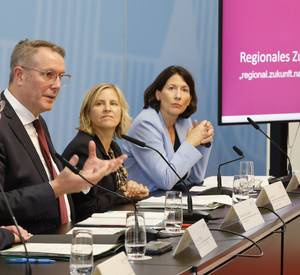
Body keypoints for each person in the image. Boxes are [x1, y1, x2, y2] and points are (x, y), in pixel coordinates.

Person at [0, 39, 126, 234]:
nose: (57, 85)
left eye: (60, 76)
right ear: (20, 75)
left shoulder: (38, 122)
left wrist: (82, 179)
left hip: (59, 240)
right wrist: (55, 188)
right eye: (48, 75)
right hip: (21, 250)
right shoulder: (2, 123)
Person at [62, 83, 149, 222]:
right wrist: (125, 193)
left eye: (113, 104)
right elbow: (86, 207)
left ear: (121, 112)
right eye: (99, 104)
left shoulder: (113, 148)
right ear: (88, 113)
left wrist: (128, 188)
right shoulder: (84, 148)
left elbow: (111, 194)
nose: (107, 109)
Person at [122, 66, 214, 192]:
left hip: (170, 199)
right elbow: (166, 180)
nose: (178, 96)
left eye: (184, 90)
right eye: (171, 88)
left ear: (189, 100)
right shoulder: (145, 124)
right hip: (143, 202)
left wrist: (202, 143)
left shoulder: (183, 121)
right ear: (158, 94)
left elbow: (195, 178)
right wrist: (191, 141)